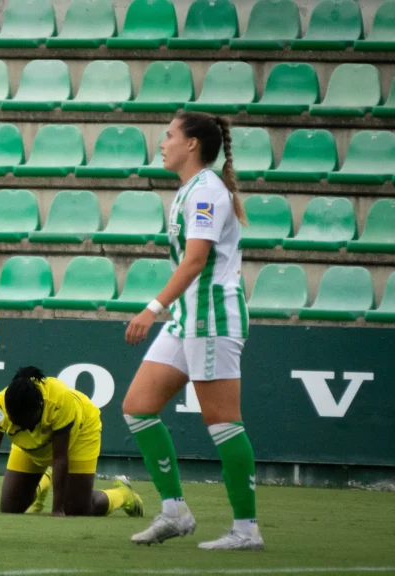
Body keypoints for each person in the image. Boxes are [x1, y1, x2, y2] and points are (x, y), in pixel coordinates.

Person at [122, 112, 261, 550]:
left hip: (212, 319)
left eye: (169, 136)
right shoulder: (191, 190)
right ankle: (175, 512)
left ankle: (246, 530)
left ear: (193, 145)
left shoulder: (206, 194)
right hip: (189, 319)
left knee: (224, 423)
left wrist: (152, 308)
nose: (162, 143)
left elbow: (196, 260)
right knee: (137, 407)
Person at [0, 366, 142, 518]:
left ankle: (124, 494)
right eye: (18, 423)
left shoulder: (59, 401)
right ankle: (45, 480)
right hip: (30, 448)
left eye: (28, 422)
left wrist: (57, 509)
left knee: (78, 509)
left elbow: (59, 457)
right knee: (10, 508)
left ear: (39, 407)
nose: (26, 427)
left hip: (80, 435)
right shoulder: (0, 408)